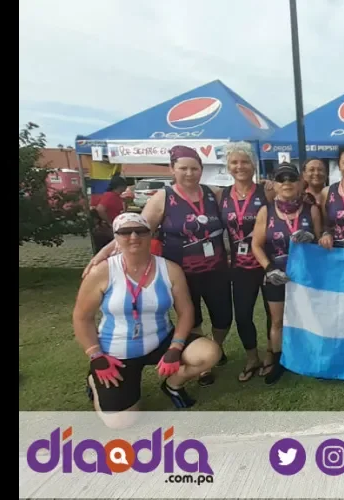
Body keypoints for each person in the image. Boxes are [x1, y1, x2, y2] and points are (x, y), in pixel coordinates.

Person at [83, 146, 232, 387]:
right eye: (183, 168)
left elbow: (239, 198)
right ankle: (203, 366)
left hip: (216, 269)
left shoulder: (212, 193)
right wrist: (102, 254)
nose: (189, 173)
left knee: (224, 317)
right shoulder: (163, 197)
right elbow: (135, 230)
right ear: (173, 169)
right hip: (180, 273)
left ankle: (217, 346)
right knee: (191, 316)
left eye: (194, 168)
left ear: (201, 170)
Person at [73, 213, 221, 427]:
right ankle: (94, 380)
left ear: (150, 234)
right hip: (116, 351)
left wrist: (175, 347)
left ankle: (173, 384)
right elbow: (81, 318)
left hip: (161, 340)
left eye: (140, 231)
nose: (133, 236)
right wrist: (95, 355)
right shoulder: (102, 272)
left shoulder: (169, 269)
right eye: (125, 232)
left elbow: (186, 311)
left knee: (209, 352)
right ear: (116, 237)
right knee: (120, 422)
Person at [251, 163, 322, 384]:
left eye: (292, 178)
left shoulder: (311, 209)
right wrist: (268, 268)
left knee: (309, 318)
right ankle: (279, 361)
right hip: (277, 276)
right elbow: (256, 245)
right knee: (278, 321)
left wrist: (313, 239)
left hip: (306, 276)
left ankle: (309, 356)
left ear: (301, 182)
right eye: (281, 179)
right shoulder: (267, 211)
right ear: (274, 184)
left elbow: (322, 243)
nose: (287, 183)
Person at [218, 142, 274, 382]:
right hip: (240, 266)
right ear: (228, 166)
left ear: (253, 165)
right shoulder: (221, 195)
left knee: (274, 313)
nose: (239, 166)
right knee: (243, 314)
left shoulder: (267, 191)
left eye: (244, 162)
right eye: (234, 162)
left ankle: (271, 354)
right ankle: (252, 356)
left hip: (267, 261)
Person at [92, 176, 129, 251]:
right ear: (120, 186)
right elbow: (100, 209)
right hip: (107, 229)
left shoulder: (118, 197)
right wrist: (109, 222)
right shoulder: (109, 196)